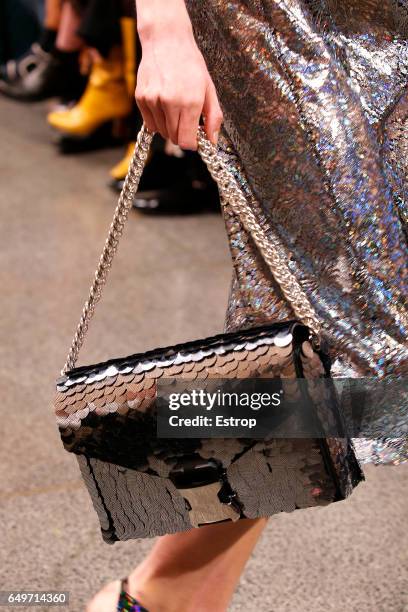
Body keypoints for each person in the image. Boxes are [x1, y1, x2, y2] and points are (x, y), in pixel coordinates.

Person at [87, 1, 408, 610]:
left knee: (329, 333)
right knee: (332, 332)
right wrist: (162, 28)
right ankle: (158, 595)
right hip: (282, 21)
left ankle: (173, 598)